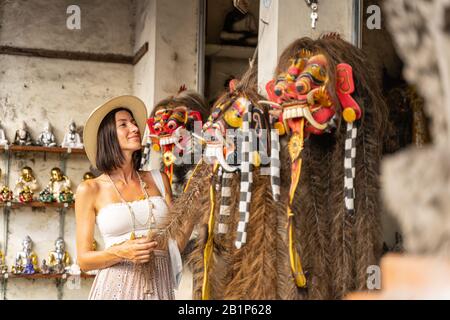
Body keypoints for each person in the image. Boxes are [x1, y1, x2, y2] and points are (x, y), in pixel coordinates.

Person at [76, 95, 195, 300]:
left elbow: (176, 244)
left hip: (158, 287)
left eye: (133, 122)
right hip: (114, 290)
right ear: (108, 136)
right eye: (124, 124)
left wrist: (197, 200)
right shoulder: (90, 189)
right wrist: (122, 252)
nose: (134, 128)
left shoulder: (159, 179)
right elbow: (84, 260)